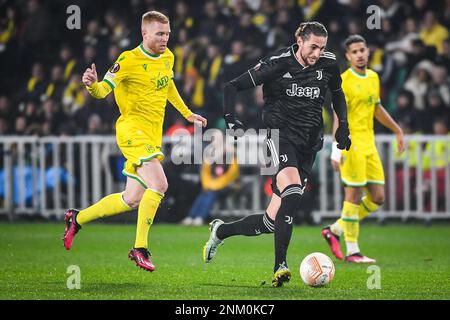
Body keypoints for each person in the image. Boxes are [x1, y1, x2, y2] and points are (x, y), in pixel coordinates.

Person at [202, 22, 351, 287]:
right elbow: (231, 86)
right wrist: (231, 119)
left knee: (271, 222)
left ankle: (221, 230)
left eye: (322, 47)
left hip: (309, 143)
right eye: (313, 46)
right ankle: (280, 265)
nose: (317, 53)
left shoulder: (328, 63)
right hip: (279, 137)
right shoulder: (278, 63)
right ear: (299, 40)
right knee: (293, 191)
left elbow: (338, 93)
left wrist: (343, 128)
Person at [62, 11, 207, 272]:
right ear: (145, 33)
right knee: (160, 183)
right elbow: (104, 89)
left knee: (131, 199)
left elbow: (168, 85)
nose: (165, 39)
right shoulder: (127, 60)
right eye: (160, 34)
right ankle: (140, 247)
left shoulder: (168, 57)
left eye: (167, 34)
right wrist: (92, 86)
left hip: (151, 135)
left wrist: (187, 113)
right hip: (131, 131)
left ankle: (77, 218)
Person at [322, 35, 405, 263]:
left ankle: (335, 230)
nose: (359, 54)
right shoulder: (343, 81)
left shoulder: (373, 77)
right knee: (354, 195)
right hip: (351, 144)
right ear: (348, 57)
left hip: (370, 144)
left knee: (378, 197)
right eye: (354, 52)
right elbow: (339, 117)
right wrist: (336, 151)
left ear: (367, 51)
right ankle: (353, 250)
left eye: (362, 50)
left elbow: (376, 108)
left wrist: (397, 129)